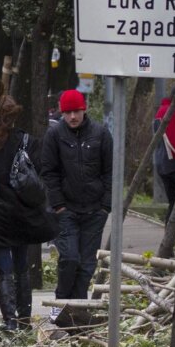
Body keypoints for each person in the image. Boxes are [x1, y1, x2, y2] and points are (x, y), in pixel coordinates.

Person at [0, 94, 54, 330]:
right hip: (22, 214)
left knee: (3, 269)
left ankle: (9, 321)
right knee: (21, 268)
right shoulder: (26, 141)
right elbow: (39, 174)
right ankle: (24, 318)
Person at [40, 89, 113, 320]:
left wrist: (105, 206)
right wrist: (58, 204)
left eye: (76, 111)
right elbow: (48, 172)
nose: (72, 117)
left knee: (86, 265)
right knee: (69, 258)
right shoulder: (54, 135)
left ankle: (79, 312)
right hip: (66, 210)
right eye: (68, 112)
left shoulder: (101, 134)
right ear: (62, 113)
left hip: (94, 210)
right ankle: (59, 304)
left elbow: (110, 171)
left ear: (85, 110)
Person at [153, 96, 175, 222]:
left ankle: (170, 236)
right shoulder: (171, 112)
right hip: (174, 165)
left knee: (173, 202)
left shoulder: (161, 110)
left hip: (162, 164)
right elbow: (174, 141)